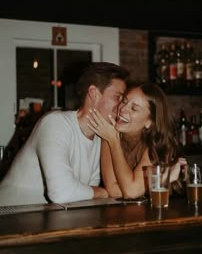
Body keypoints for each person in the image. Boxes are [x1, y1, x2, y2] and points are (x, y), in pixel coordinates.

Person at [0, 62, 129, 205]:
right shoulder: (55, 123)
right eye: (118, 97)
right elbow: (61, 193)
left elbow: (85, 196)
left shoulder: (100, 139)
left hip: (44, 220)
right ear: (93, 93)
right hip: (8, 219)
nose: (122, 107)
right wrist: (103, 192)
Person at [87, 82, 187, 199]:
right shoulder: (110, 135)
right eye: (124, 101)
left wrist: (114, 142)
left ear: (149, 122)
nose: (123, 109)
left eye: (134, 109)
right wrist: (160, 180)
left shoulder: (156, 143)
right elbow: (114, 191)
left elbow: (130, 192)